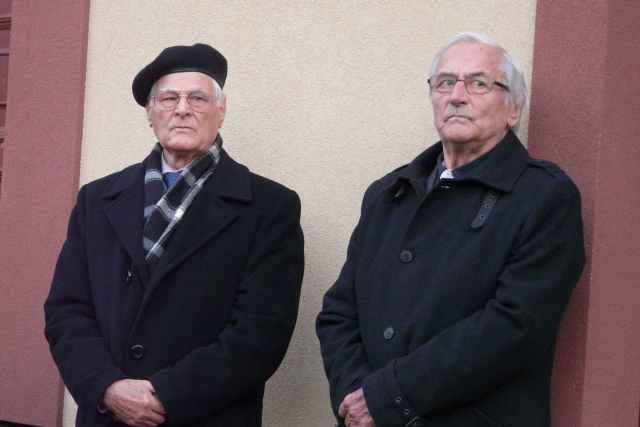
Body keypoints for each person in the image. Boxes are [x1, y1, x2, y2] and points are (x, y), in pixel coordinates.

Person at [316, 33, 585, 427]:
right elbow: (339, 313)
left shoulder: (543, 196)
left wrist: (388, 397)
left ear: (513, 110)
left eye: (478, 83)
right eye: (445, 82)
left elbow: (515, 327)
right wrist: (356, 397)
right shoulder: (389, 194)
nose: (457, 96)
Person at [44, 43, 304, 427]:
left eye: (197, 98)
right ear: (150, 114)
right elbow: (67, 310)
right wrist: (107, 387)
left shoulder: (270, 207)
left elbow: (260, 333)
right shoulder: (97, 200)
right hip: (106, 416)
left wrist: (165, 395)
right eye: (169, 99)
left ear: (221, 111)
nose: (182, 109)